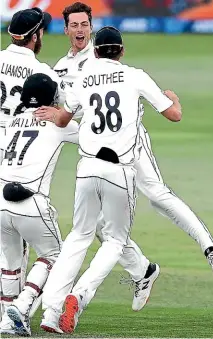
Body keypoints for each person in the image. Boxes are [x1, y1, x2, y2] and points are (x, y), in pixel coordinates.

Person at [37, 1, 213, 290]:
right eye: (75, 25)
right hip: (90, 141)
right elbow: (61, 110)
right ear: (65, 29)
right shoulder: (61, 69)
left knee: (156, 193)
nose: (80, 30)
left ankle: (211, 249)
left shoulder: (102, 52)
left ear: (92, 28)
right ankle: (141, 271)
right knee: (96, 223)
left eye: (85, 24)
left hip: (129, 139)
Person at [38, 26, 182, 334]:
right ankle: (80, 294)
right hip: (119, 170)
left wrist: (53, 113)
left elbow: (63, 119)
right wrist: (174, 99)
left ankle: (50, 312)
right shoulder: (135, 75)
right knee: (115, 240)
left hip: (86, 168)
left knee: (78, 236)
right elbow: (173, 115)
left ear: (96, 50)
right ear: (121, 50)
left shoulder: (83, 78)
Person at [0, 7, 66, 335]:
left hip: (5, 157)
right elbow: (64, 115)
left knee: (6, 242)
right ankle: (17, 310)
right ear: (36, 35)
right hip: (23, 164)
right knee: (26, 241)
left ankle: (7, 313)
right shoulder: (44, 73)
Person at [0, 73, 79, 336]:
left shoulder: (11, 121)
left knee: (10, 263)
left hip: (1, 199)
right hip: (30, 201)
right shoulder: (59, 124)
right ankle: (22, 306)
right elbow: (93, 138)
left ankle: (6, 320)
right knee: (56, 256)